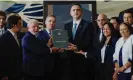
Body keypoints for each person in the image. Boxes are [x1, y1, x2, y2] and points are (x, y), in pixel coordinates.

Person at [64, 3, 95, 80]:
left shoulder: (88, 25)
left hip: (82, 60)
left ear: (81, 12)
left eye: (78, 10)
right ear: (70, 13)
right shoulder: (67, 25)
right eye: (73, 10)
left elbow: (88, 41)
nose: (75, 12)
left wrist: (76, 47)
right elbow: (66, 40)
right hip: (69, 60)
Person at [0, 15, 23, 80]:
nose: (21, 26)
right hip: (9, 75)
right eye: (19, 24)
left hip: (16, 73)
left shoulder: (16, 36)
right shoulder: (4, 38)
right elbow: (2, 58)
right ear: (13, 25)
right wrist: (4, 74)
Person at [93, 13, 108, 80]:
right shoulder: (94, 32)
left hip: (108, 66)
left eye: (103, 20)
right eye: (98, 20)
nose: (100, 22)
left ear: (107, 20)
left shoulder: (112, 33)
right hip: (96, 65)